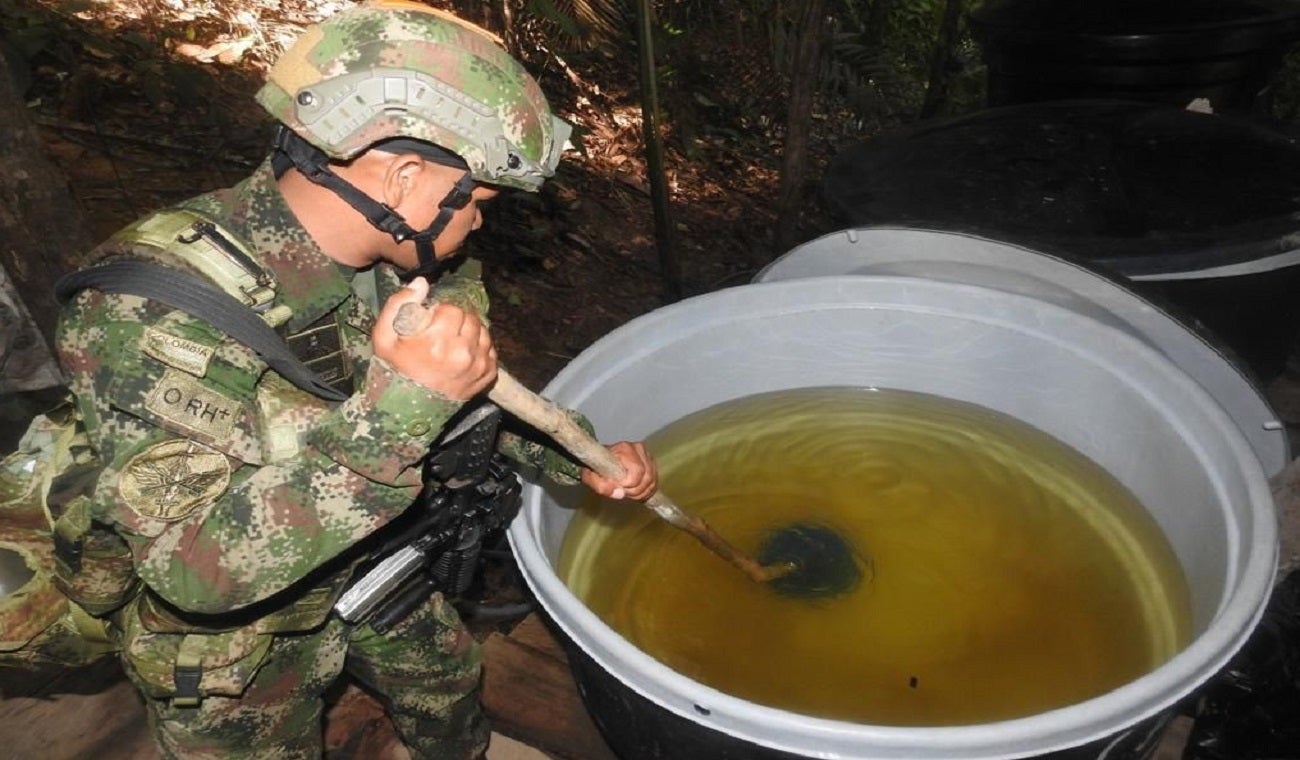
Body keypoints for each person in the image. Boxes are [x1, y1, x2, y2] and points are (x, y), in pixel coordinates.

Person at [52, 1, 657, 758]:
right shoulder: (149, 314)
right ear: (404, 179)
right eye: (480, 203)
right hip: (241, 640)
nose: (478, 227)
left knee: (448, 687)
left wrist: (581, 461)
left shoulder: (414, 262)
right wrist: (408, 405)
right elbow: (192, 569)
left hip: (370, 554)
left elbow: (481, 404)